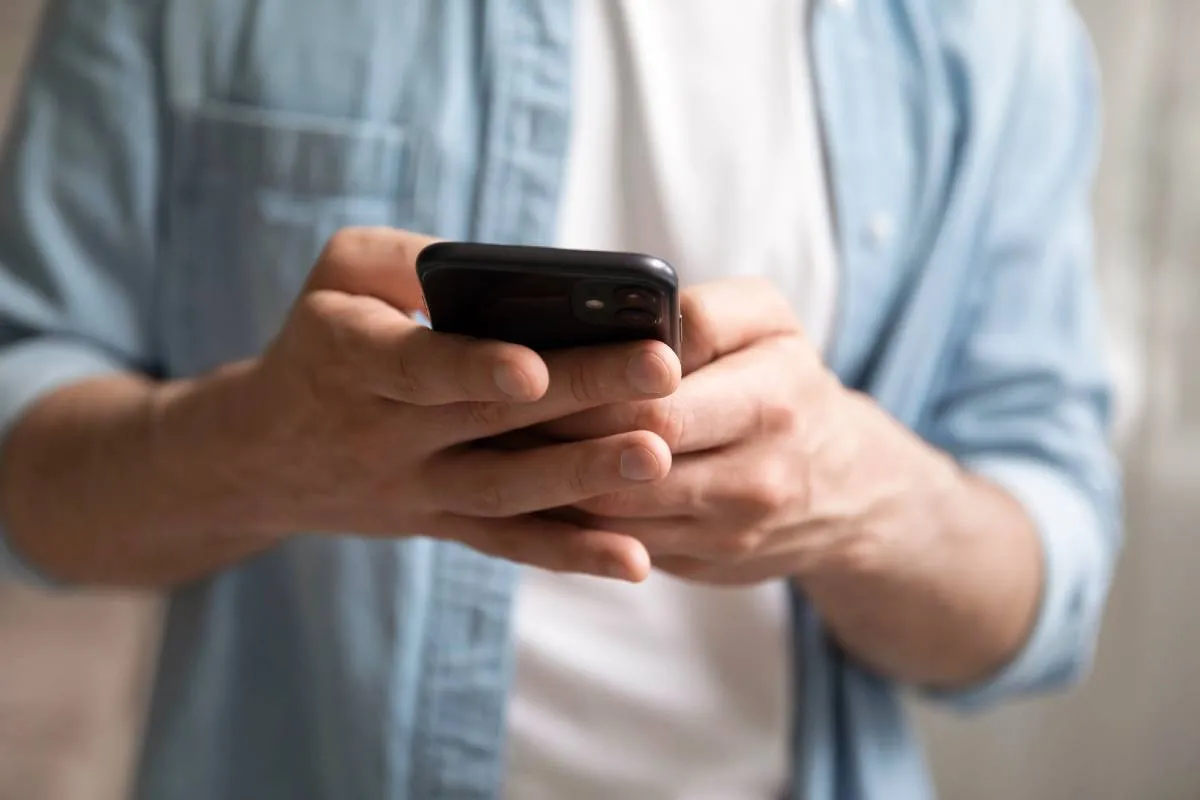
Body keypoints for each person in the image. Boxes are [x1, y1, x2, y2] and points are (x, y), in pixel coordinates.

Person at [0, 0, 1120, 798]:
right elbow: (21, 459)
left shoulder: (994, 32)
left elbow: (1047, 588)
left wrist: (868, 502)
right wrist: (257, 450)